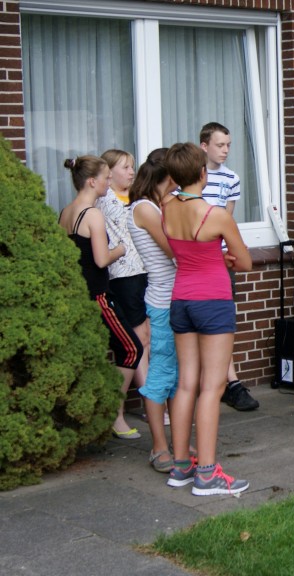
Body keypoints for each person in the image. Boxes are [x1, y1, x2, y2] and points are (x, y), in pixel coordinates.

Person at [162, 142, 252, 496]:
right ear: (203, 173)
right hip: (213, 300)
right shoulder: (216, 215)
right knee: (213, 388)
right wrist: (225, 259)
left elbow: (183, 249)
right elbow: (244, 262)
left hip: (180, 299)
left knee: (186, 384)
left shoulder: (166, 206)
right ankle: (207, 474)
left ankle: (181, 466)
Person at [58, 155, 143, 439]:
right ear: (92, 182)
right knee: (132, 348)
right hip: (98, 297)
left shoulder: (65, 212)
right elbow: (101, 259)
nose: (109, 182)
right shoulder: (93, 214)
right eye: (106, 178)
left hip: (77, 297)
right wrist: (121, 249)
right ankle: (115, 415)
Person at [198, 122, 259, 412]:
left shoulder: (231, 178)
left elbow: (227, 220)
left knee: (224, 319)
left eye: (228, 145)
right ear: (204, 146)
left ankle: (227, 382)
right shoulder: (192, 177)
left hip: (220, 258)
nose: (225, 150)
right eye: (219, 145)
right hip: (198, 257)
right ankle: (223, 382)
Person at [127, 149, 180, 472]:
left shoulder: (156, 205)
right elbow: (173, 249)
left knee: (176, 376)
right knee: (160, 375)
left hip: (174, 298)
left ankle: (177, 443)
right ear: (169, 175)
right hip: (162, 301)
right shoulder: (145, 208)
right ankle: (159, 447)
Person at [97, 149, 148, 439]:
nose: (131, 172)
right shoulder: (106, 201)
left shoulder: (136, 197)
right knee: (135, 342)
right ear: (109, 172)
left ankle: (150, 402)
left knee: (145, 339)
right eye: (125, 167)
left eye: (132, 167)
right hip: (122, 276)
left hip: (143, 272)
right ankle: (124, 412)